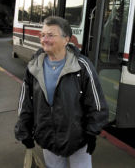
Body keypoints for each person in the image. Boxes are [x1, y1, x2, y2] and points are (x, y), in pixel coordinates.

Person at [15, 16, 109, 168]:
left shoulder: (82, 66)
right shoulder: (34, 66)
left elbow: (97, 103)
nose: (45, 39)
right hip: (48, 138)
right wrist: (23, 130)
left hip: (78, 139)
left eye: (51, 35)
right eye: (42, 35)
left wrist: (92, 133)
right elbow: (25, 102)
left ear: (66, 39)